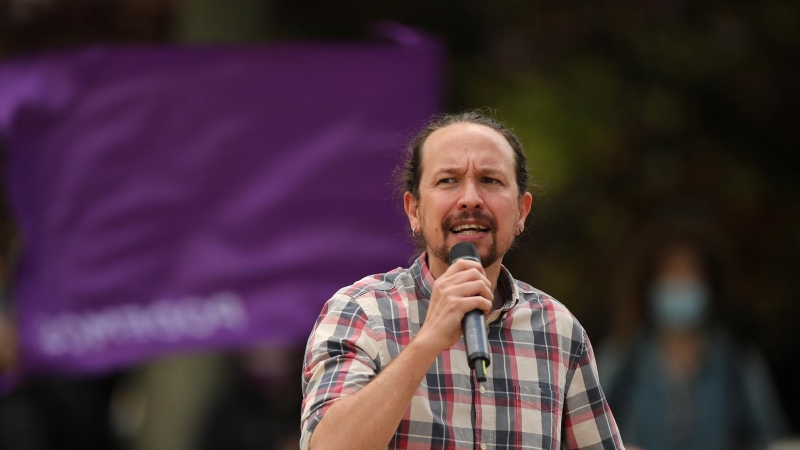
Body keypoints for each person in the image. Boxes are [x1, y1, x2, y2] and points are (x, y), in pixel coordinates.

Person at [300, 111, 623, 450]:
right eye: (448, 181)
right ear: (414, 211)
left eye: (490, 180)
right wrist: (427, 341)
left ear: (522, 212)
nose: (470, 198)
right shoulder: (361, 313)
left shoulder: (558, 330)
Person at [599, 228, 787, 450]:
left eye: (690, 272)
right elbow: (582, 431)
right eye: (670, 273)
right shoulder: (622, 358)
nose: (680, 282)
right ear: (649, 285)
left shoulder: (738, 361)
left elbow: (773, 440)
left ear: (709, 285)